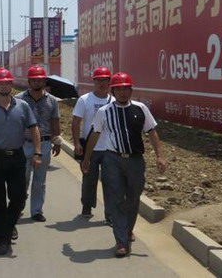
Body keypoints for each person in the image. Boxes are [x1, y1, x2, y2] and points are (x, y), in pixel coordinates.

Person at [81, 72, 167, 258]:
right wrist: (87, 159)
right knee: (116, 198)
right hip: (113, 160)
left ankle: (128, 229)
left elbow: (151, 131)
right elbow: (95, 134)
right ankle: (121, 241)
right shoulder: (104, 111)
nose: (122, 92)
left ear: (131, 90)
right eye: (118, 89)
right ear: (113, 91)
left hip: (135, 160)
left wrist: (159, 156)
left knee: (133, 198)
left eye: (126, 88)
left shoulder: (140, 109)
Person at [0, 67, 41, 256]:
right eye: (0, 83)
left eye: (7, 83)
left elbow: (34, 129)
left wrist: (37, 152)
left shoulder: (23, 106)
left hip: (17, 157)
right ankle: (1, 240)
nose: (5, 86)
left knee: (19, 198)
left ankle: (9, 225)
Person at [15, 65, 61, 222]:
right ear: (29, 81)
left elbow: (55, 121)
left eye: (40, 80)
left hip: (44, 144)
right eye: (34, 80)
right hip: (23, 144)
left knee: (39, 181)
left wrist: (57, 141)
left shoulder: (52, 100)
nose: (37, 82)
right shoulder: (19, 99)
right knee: (22, 179)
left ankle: (36, 211)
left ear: (44, 81)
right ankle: (18, 205)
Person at [71, 66, 113, 219]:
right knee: (89, 179)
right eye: (99, 80)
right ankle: (87, 206)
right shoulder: (85, 100)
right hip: (91, 147)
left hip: (110, 148)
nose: (102, 83)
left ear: (109, 82)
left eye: (105, 80)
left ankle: (110, 214)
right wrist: (77, 143)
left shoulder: (114, 101)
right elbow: (76, 122)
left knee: (111, 182)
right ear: (94, 82)